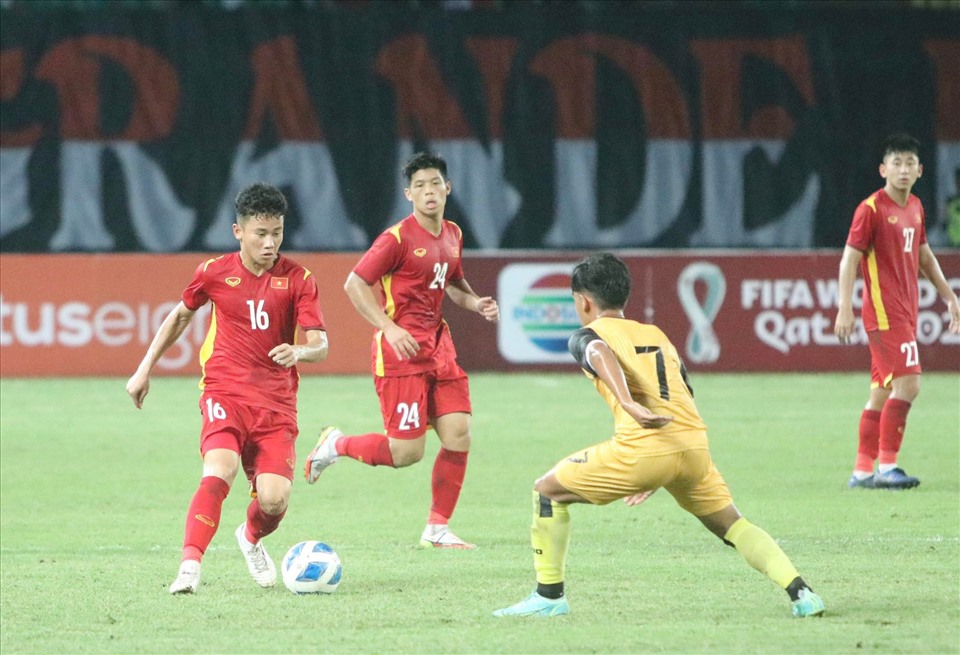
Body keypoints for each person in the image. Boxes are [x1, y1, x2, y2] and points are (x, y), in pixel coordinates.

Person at [493, 253, 825, 618]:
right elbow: (686, 391)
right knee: (733, 524)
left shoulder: (588, 335)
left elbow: (598, 351)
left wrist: (628, 404)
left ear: (584, 301)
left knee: (547, 491)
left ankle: (549, 596)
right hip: (692, 445)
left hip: (646, 449)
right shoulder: (657, 335)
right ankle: (801, 592)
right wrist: (659, 469)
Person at [126, 183, 328, 594]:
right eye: (261, 234)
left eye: (277, 233)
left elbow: (321, 344)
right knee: (220, 469)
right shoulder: (214, 273)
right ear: (239, 232)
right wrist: (144, 368)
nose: (270, 243)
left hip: (276, 403)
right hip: (225, 392)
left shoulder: (299, 279)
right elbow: (180, 318)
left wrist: (301, 352)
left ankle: (250, 537)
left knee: (274, 501)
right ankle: (189, 567)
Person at [303, 151, 499, 549]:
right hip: (401, 355)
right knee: (406, 453)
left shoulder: (454, 235)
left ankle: (437, 528)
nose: (429, 192)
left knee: (459, 433)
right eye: (420, 186)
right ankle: (335, 444)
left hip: (439, 349)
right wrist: (389, 328)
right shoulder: (396, 239)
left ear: (448, 188)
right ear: (408, 194)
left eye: (435, 184)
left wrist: (476, 303)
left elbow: (455, 285)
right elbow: (355, 284)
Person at [835, 133, 960, 490]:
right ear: (883, 169)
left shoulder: (915, 208)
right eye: (896, 163)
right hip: (884, 314)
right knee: (910, 384)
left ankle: (861, 471)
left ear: (920, 170)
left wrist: (949, 295)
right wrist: (845, 307)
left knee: (880, 392)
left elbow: (923, 256)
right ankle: (888, 466)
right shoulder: (870, 210)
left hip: (906, 312)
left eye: (909, 164)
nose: (903, 170)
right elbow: (849, 260)